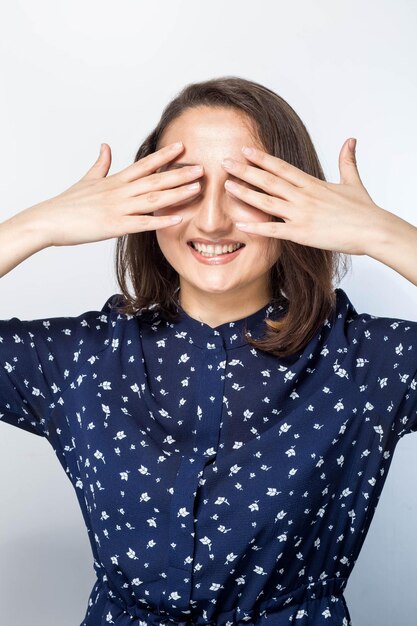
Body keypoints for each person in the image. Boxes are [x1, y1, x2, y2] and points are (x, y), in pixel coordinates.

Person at [0, 76, 416, 626]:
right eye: (185, 187)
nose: (213, 220)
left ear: (301, 203)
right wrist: (39, 225)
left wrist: (383, 234)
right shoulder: (82, 357)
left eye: (246, 189)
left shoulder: (364, 364)